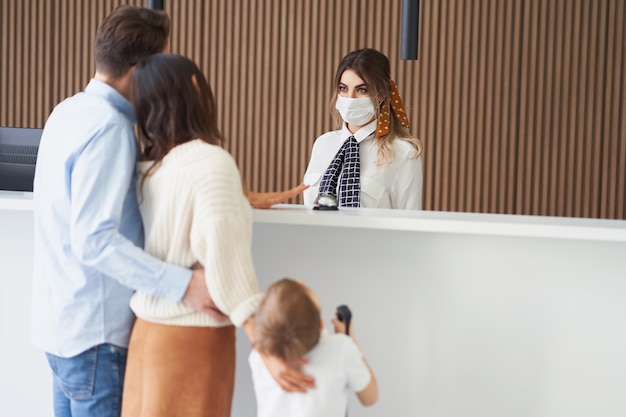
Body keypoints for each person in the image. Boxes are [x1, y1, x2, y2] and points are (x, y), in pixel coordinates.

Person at [31, 6, 227, 417]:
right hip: (97, 340)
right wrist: (184, 285)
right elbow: (95, 240)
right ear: (139, 71)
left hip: (61, 330)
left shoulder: (66, 112)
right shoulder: (110, 128)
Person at [120, 53, 313, 417]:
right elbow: (227, 273)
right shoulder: (211, 163)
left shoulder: (147, 168)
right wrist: (268, 349)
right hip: (193, 341)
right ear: (196, 87)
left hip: (146, 337)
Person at [303, 48, 423, 209]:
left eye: (362, 90)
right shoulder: (322, 144)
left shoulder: (403, 154)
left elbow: (409, 225)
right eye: (343, 88)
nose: (350, 98)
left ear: (381, 94)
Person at [250, 278, 378, 417]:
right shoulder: (341, 348)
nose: (301, 282)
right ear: (321, 325)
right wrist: (351, 341)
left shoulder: (258, 357)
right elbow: (370, 398)